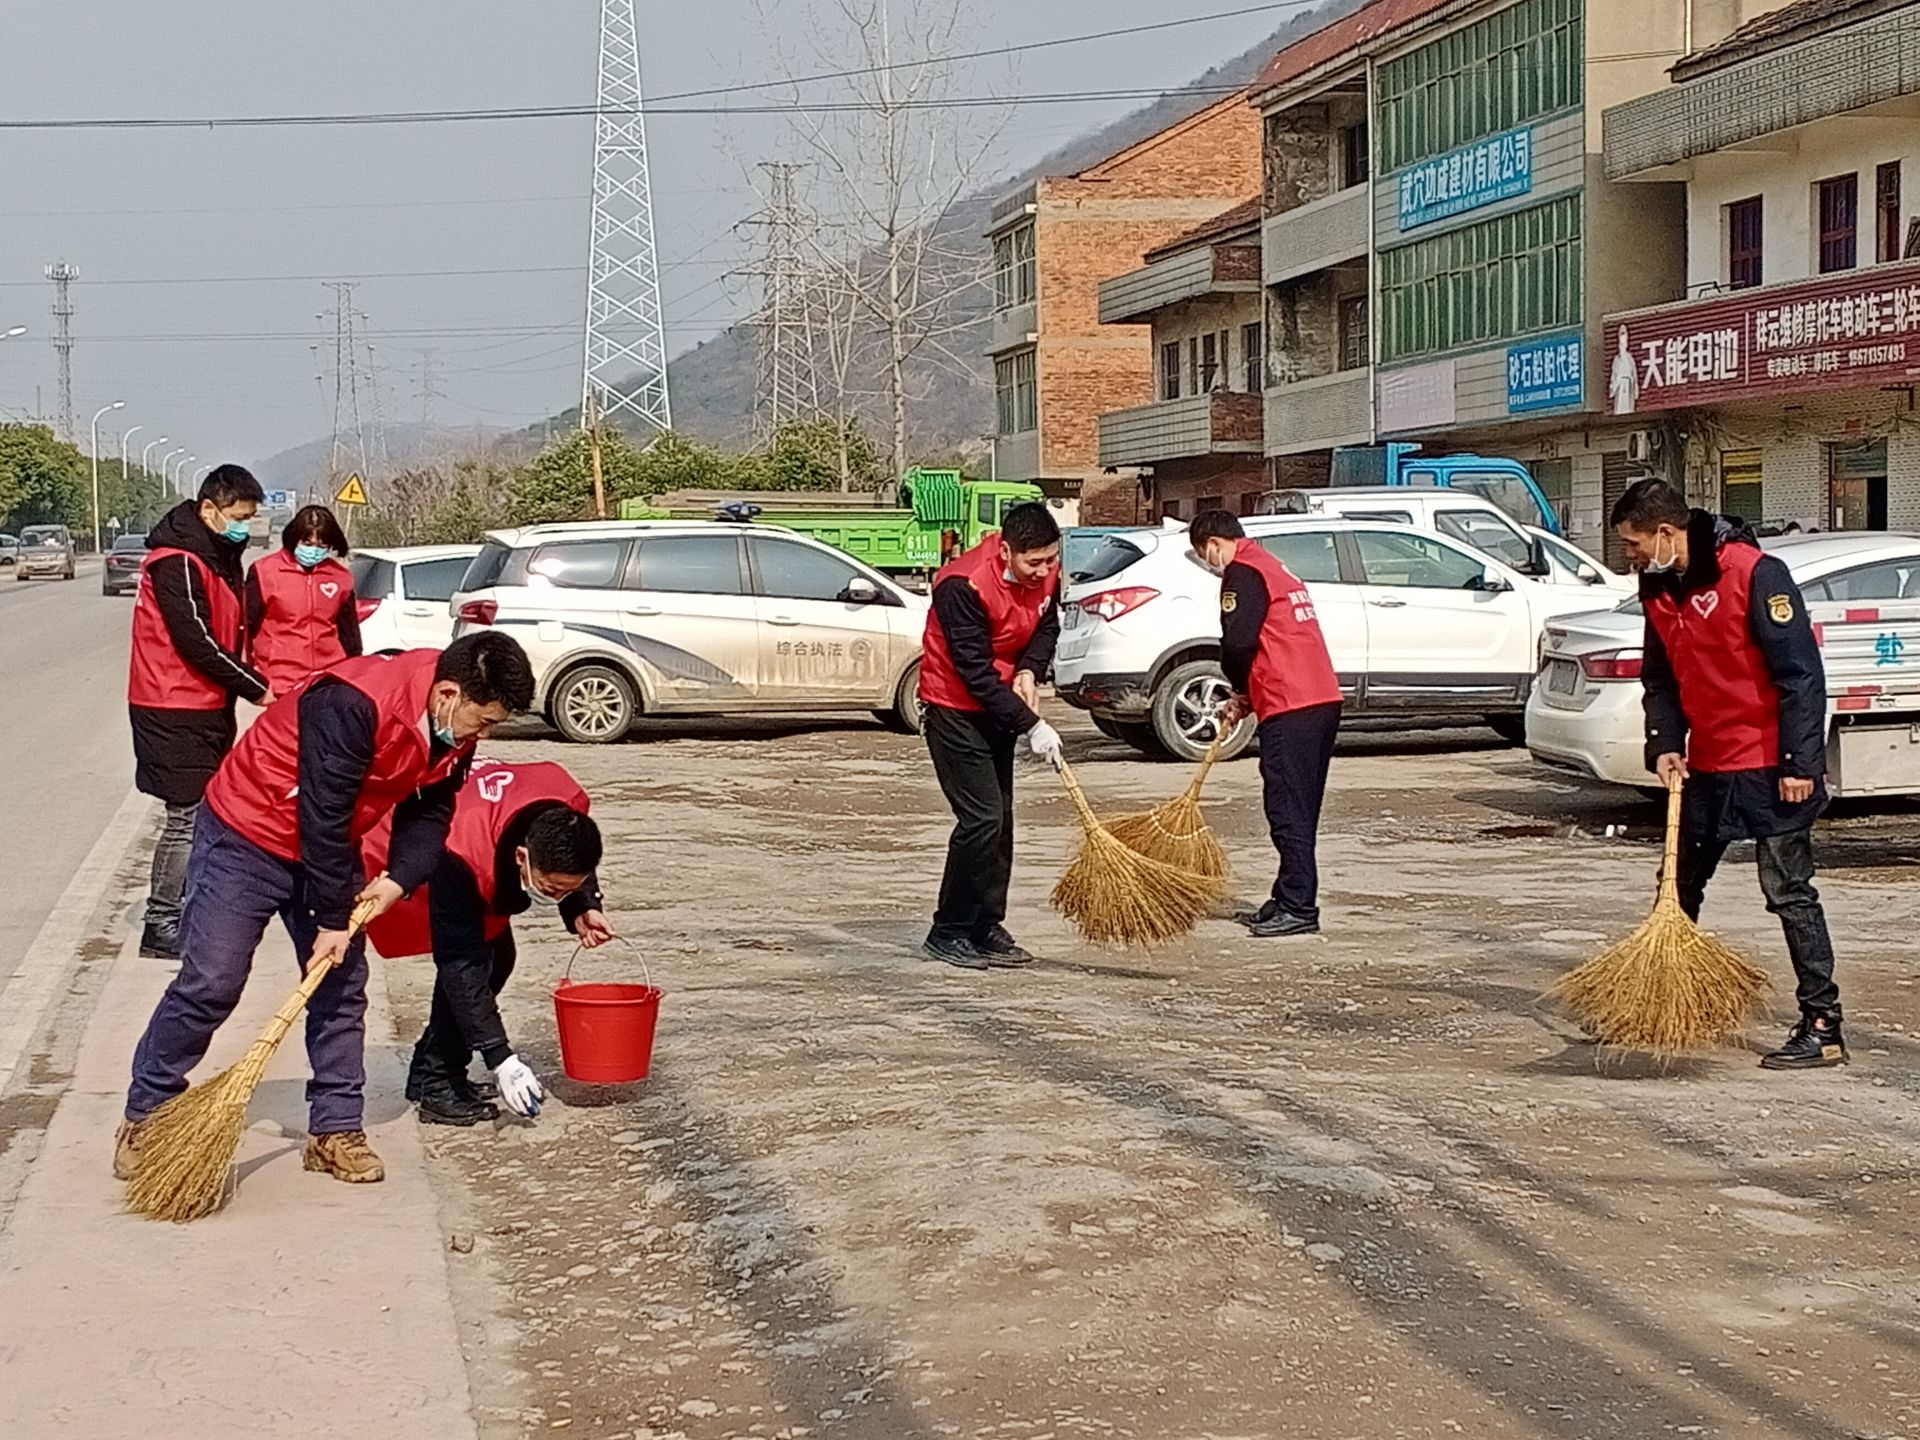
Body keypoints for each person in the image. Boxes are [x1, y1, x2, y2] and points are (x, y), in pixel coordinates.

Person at [116, 633, 537, 1185]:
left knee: (340, 991)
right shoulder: (353, 702)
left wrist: (399, 880)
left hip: (327, 845)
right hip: (247, 833)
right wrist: (333, 921)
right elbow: (322, 813)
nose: (483, 735)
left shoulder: (452, 726)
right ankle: (146, 1113)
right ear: (448, 694)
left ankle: (334, 1129)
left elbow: (431, 806)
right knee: (212, 981)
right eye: (482, 722)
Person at [1612, 478, 1845, 1070]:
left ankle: (1823, 1023)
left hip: (1769, 763)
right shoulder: (1657, 587)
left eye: (1634, 544)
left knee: (1788, 891)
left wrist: (1801, 764)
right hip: (1706, 764)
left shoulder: (1754, 573)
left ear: (1667, 532)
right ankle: (1660, 1000)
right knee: (1677, 885)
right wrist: (1663, 742)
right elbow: (1659, 677)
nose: (1629, 557)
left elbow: (1800, 676)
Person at [362, 758, 614, 1126]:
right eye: (551, 889)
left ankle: (434, 1069)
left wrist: (582, 904)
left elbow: (576, 866)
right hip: (407, 844)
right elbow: (458, 966)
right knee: (473, 967)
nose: (556, 896)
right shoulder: (460, 850)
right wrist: (502, 1060)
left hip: (491, 832)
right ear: (522, 858)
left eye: (565, 889)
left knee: (498, 958)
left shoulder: (567, 807)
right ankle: (437, 1087)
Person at [127, 465, 273, 960]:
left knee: (210, 812)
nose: (244, 527)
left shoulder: (218, 557)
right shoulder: (178, 562)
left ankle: (190, 911)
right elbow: (197, 641)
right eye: (237, 517)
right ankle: (161, 922)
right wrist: (257, 687)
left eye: (250, 519)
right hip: (170, 705)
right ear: (208, 508)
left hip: (207, 704)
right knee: (186, 817)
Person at [917, 502, 1064, 970]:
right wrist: (1032, 724)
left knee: (1001, 821)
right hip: (954, 709)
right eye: (1033, 562)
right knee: (980, 819)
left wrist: (1029, 669)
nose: (1043, 571)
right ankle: (949, 929)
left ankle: (985, 922)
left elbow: (1047, 626)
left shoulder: (1047, 574)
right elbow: (974, 674)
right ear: (1005, 552)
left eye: (1050, 560)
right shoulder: (961, 585)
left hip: (999, 704)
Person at [1189, 511, 1343, 939]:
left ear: (1213, 544)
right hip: (1317, 699)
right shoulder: (1273, 567)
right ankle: (1287, 893)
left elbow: (1239, 642)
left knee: (1286, 809)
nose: (1210, 563)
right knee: (1300, 807)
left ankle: (1299, 906)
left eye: (1206, 555)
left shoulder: (1242, 571)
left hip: (1290, 702)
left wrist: (1238, 689)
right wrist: (1248, 696)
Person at [246, 504, 362, 696]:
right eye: (307, 544)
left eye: (321, 546)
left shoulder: (340, 577)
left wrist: (354, 672)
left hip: (330, 679)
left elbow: (349, 633)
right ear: (294, 539)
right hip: (281, 680)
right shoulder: (264, 571)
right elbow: (247, 625)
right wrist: (251, 672)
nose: (314, 550)